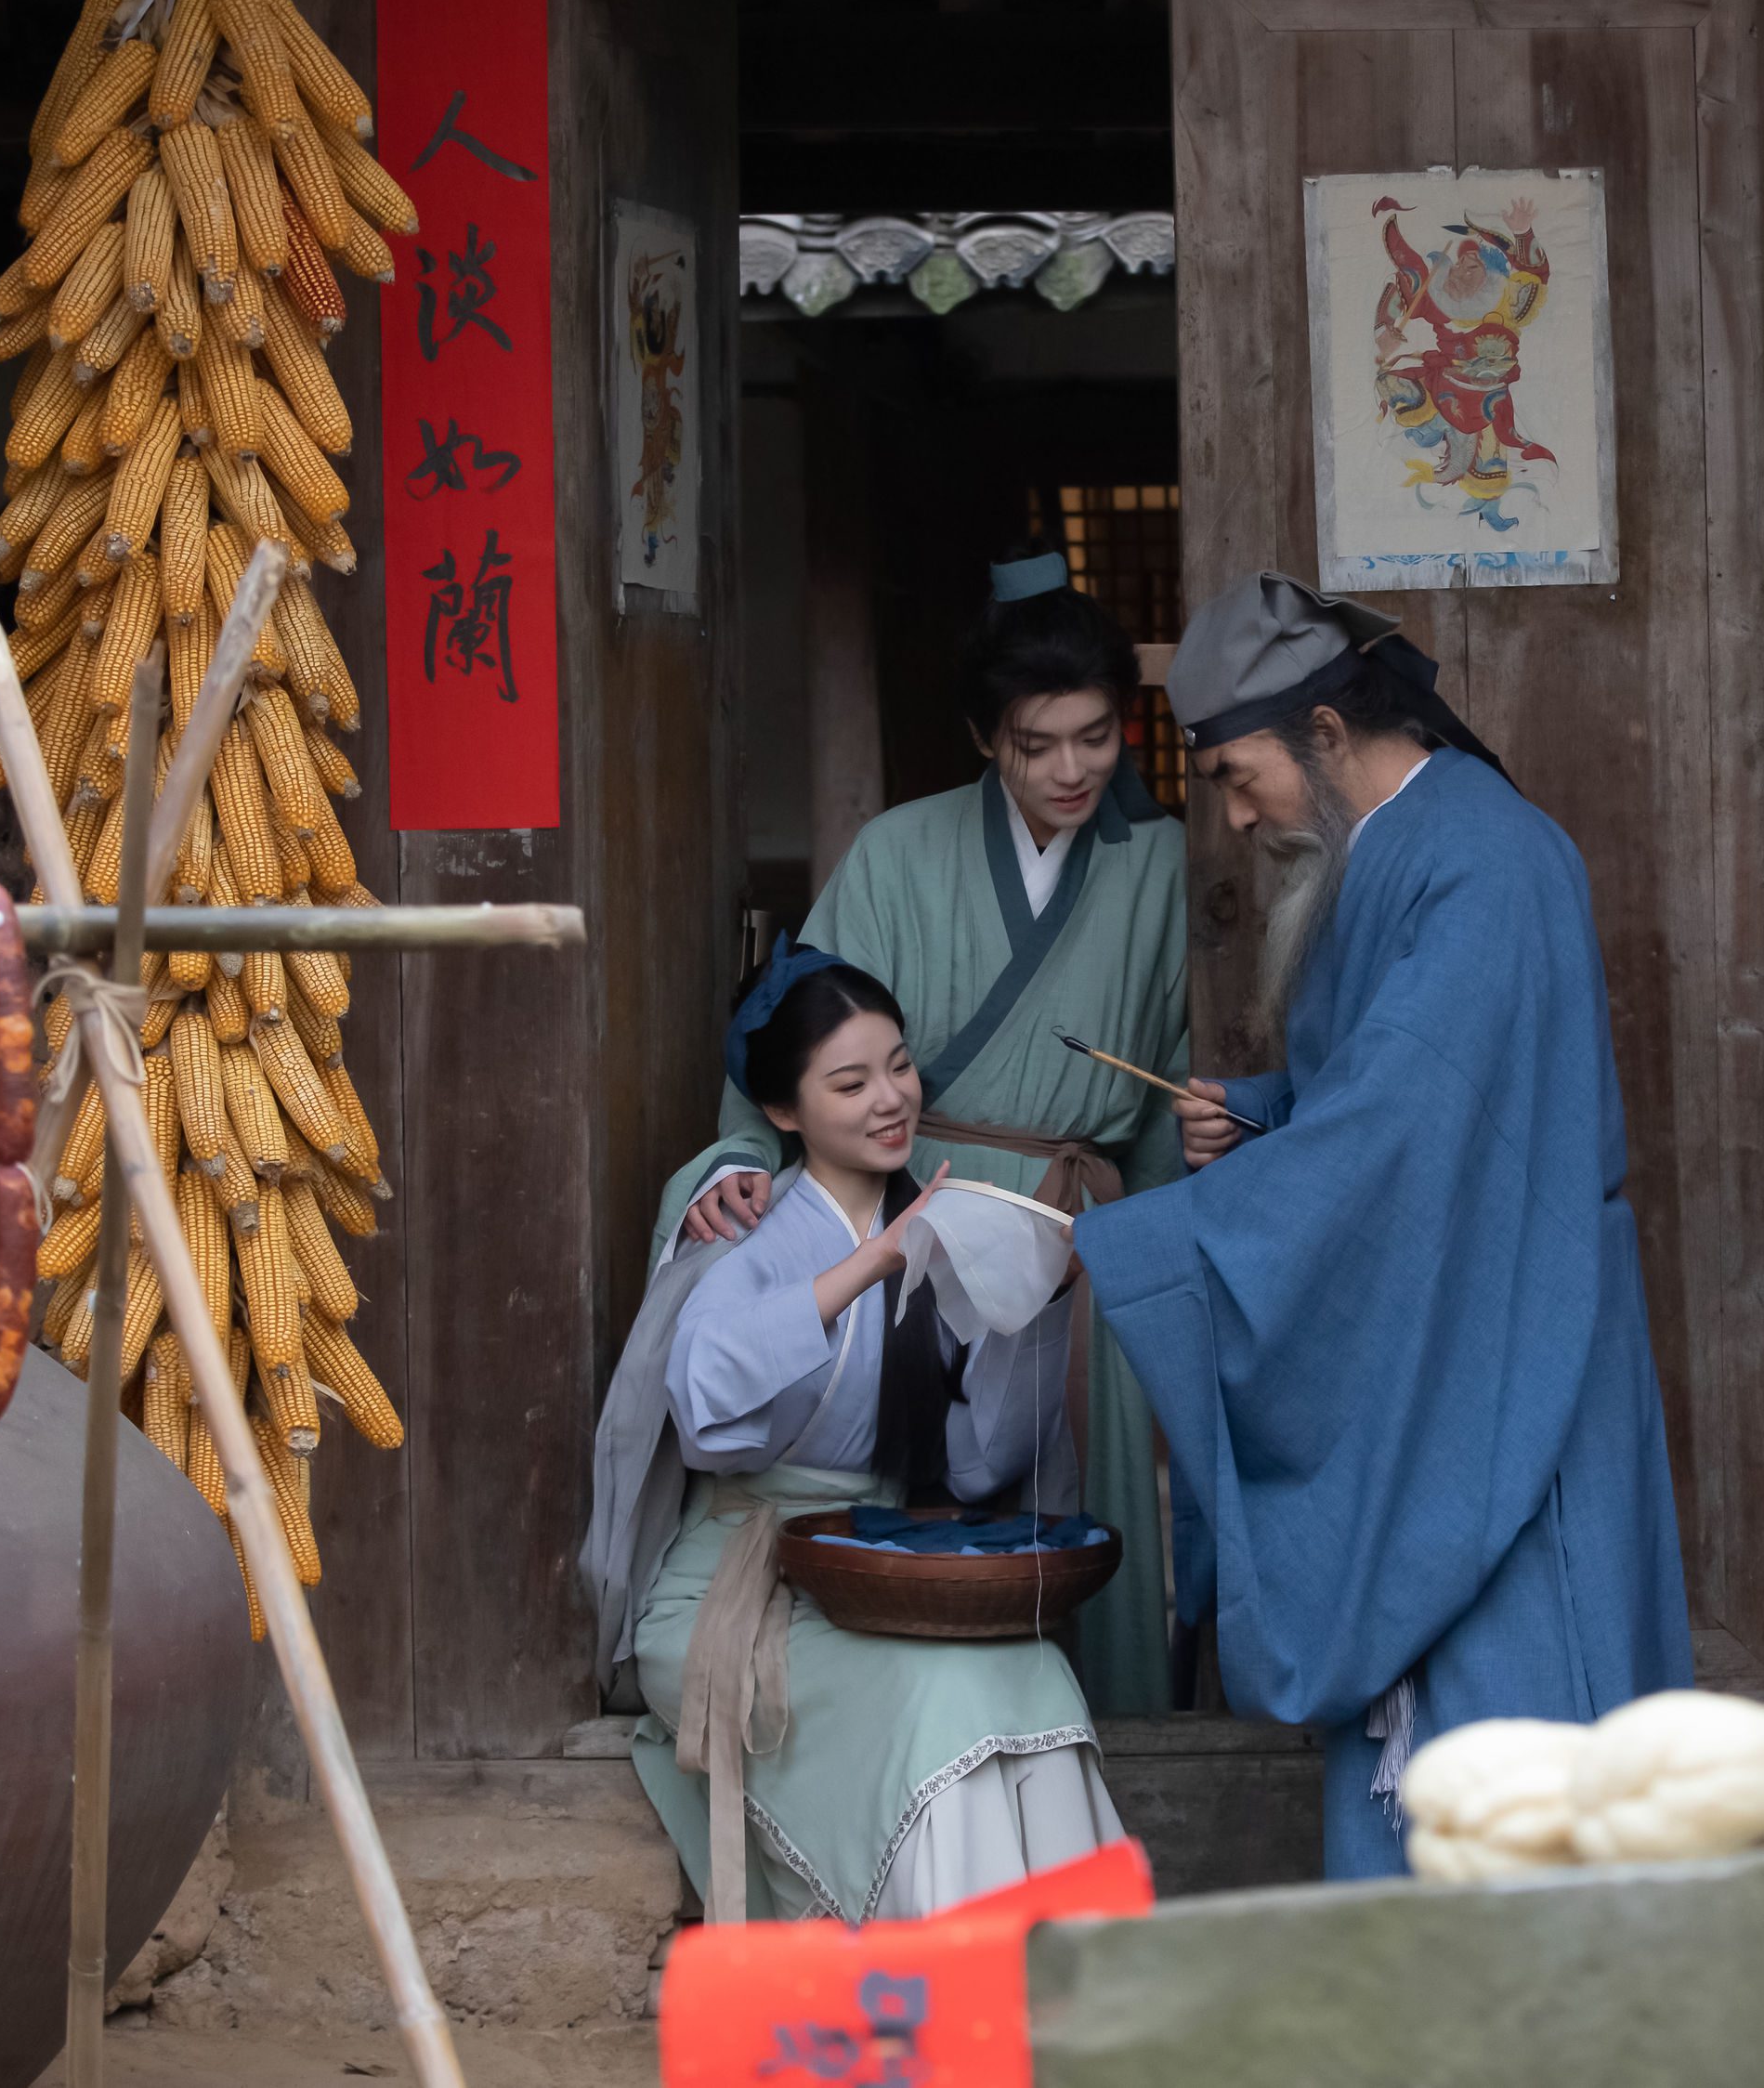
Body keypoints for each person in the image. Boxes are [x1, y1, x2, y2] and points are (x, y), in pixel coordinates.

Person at [1068, 571, 1692, 1880]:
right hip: (1465, 1311)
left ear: (1331, 734)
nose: (1234, 815)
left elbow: (1415, 1126)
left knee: (1514, 1707)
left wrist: (1169, 1245)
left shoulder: (1483, 859)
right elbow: (1388, 1098)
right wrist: (1266, 1115)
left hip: (1511, 1339)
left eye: (1241, 775)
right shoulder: (1402, 855)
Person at [649, 549, 1186, 1715]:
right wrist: (742, 1161)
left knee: (1083, 1501)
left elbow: (1163, 1098)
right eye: (1034, 744)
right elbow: (810, 1040)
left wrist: (1176, 1218)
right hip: (921, 1212)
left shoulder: (1166, 868)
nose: (1068, 769)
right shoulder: (898, 850)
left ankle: (1123, 1751)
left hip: (1081, 1224)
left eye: (1093, 738)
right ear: (984, 736)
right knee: (930, 1494)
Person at [583, 944, 1124, 1923]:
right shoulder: (741, 1228)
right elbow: (706, 1407)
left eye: (899, 1066)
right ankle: (938, 1987)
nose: (890, 1099)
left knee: (1030, 1670)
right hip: (728, 1594)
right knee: (938, 1699)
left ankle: (1058, 1992)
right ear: (783, 1112)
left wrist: (1033, 1307)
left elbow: (978, 1462)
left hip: (870, 1579)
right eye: (849, 1082)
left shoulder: (934, 1229)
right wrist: (871, 1263)